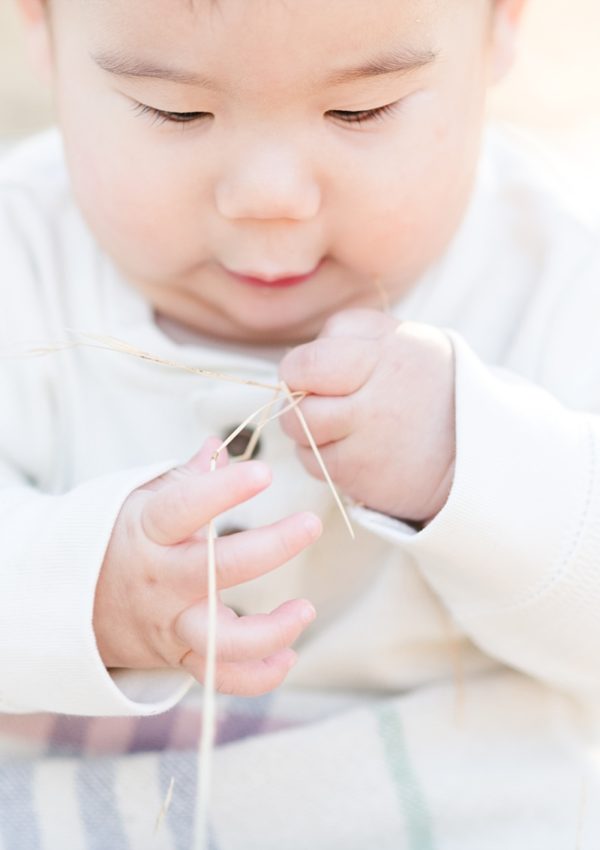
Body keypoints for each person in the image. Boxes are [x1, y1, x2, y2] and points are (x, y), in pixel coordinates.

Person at [1, 0, 599, 847]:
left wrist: (469, 460)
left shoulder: (559, 276)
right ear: (42, 31)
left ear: (501, 25)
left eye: (360, 109)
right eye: (179, 112)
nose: (267, 197)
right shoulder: (21, 260)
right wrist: (84, 591)